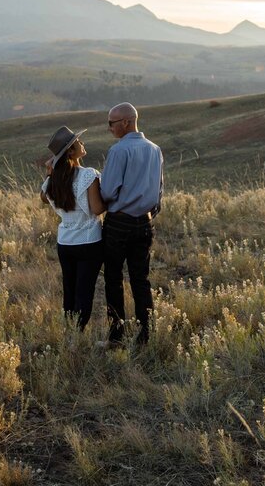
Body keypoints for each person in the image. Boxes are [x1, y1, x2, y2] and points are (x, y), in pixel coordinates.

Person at [100, 102, 163, 346]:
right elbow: (159, 191)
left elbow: (107, 192)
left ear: (126, 122)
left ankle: (116, 337)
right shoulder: (155, 149)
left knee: (113, 279)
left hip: (119, 223)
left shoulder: (118, 150)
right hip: (145, 224)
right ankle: (146, 336)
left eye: (111, 123)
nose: (109, 128)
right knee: (140, 279)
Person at [40, 126, 105, 330]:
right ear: (70, 151)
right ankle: (77, 334)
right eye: (78, 142)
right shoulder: (88, 175)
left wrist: (50, 173)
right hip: (89, 242)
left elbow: (43, 197)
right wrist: (112, 200)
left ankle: (70, 331)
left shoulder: (54, 180)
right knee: (84, 290)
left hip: (65, 242)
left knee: (69, 288)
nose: (82, 144)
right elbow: (96, 209)